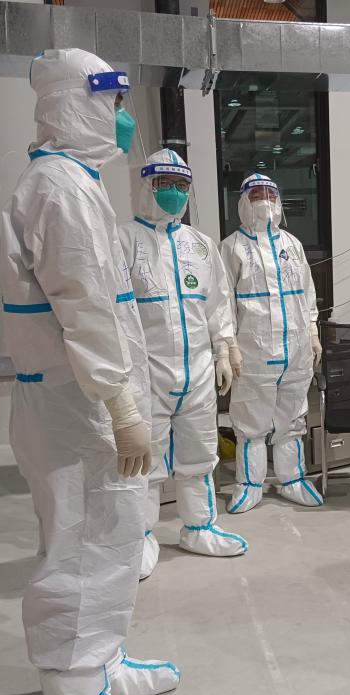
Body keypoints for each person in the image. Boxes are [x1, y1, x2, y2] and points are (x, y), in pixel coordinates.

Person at [2, 49, 178, 695]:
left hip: (82, 400)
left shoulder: (72, 181)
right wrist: (122, 405)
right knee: (83, 547)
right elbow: (87, 310)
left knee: (109, 538)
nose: (124, 117)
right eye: (115, 101)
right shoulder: (61, 189)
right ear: (78, 103)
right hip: (79, 404)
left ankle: (100, 666)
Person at [120, 149, 248, 579]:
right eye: (164, 184)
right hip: (146, 373)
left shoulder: (200, 244)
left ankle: (199, 528)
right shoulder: (123, 241)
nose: (174, 192)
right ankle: (140, 537)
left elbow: (217, 304)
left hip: (197, 370)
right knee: (146, 462)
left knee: (199, 453)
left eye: (181, 185)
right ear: (145, 186)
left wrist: (225, 348)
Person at [220, 174, 323, 513]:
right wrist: (229, 347)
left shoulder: (292, 244)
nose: (264, 200)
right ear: (243, 201)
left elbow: (306, 292)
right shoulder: (232, 246)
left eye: (270, 194)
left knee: (292, 418)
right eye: (256, 195)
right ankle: (249, 485)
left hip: (296, 350)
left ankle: (293, 479)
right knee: (251, 421)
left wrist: (312, 332)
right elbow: (222, 302)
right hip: (253, 352)